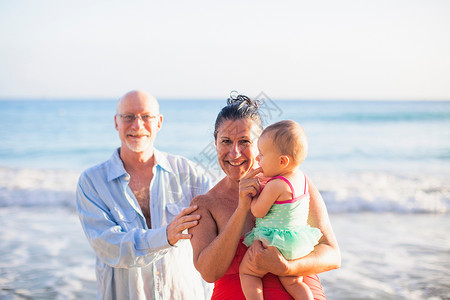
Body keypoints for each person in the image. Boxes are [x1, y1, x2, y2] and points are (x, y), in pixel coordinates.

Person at [189, 94, 341, 300]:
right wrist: (242, 209)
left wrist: (287, 267)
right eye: (225, 141)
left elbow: (332, 255)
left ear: (259, 143)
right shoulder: (205, 204)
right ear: (215, 142)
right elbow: (209, 272)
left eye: (244, 141)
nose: (234, 153)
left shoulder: (295, 184)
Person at [75, 90, 213, 300]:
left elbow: (216, 241)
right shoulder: (92, 182)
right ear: (116, 122)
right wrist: (164, 236)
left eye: (146, 116)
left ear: (159, 122)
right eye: (128, 116)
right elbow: (110, 247)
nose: (138, 125)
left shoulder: (191, 174)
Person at [240, 120, 322, 300]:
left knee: (248, 273)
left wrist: (252, 196)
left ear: (282, 161)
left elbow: (257, 212)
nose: (258, 159)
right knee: (294, 282)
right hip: (297, 243)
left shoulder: (276, 185)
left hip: (274, 242)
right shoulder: (301, 179)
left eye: (262, 155)